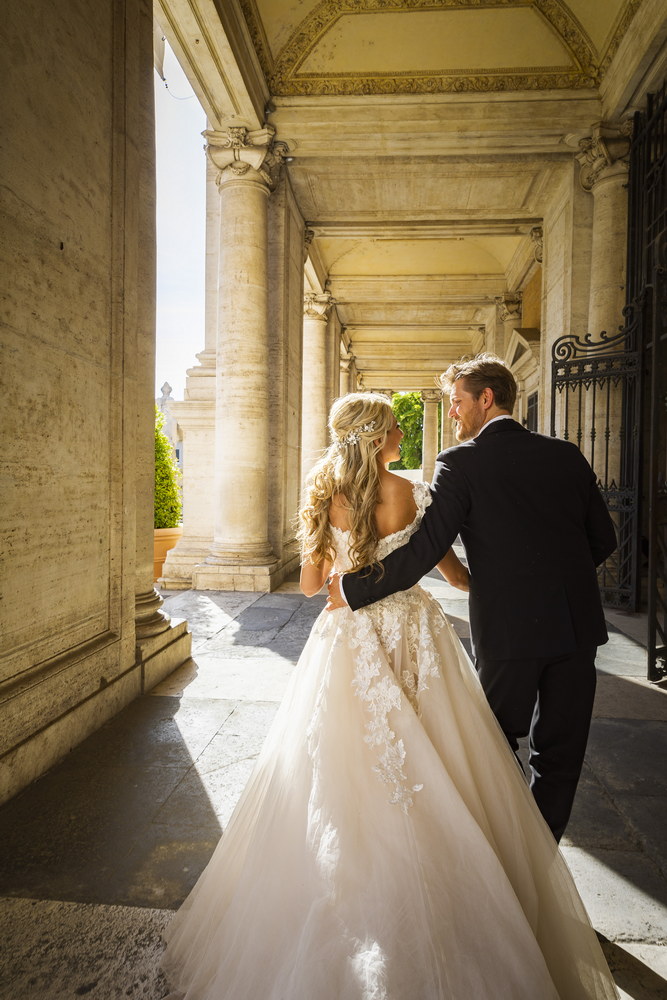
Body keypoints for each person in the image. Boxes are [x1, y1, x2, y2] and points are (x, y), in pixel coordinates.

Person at [161, 391, 618, 1000]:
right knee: (444, 743)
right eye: (395, 426)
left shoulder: (325, 496)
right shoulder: (408, 492)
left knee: (339, 756)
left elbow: (308, 587)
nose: (404, 430)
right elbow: (445, 568)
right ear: (378, 438)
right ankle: (508, 873)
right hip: (413, 629)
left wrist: (330, 549)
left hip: (349, 634)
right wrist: (506, 586)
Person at [327, 355, 617, 844]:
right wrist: (553, 581)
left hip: (507, 633)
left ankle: (505, 865)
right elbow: (603, 540)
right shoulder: (566, 454)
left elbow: (426, 548)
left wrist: (354, 587)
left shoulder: (459, 464)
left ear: (486, 399)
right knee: (561, 756)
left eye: (458, 403)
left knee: (496, 747)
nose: (454, 413)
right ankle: (541, 858)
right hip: (576, 629)